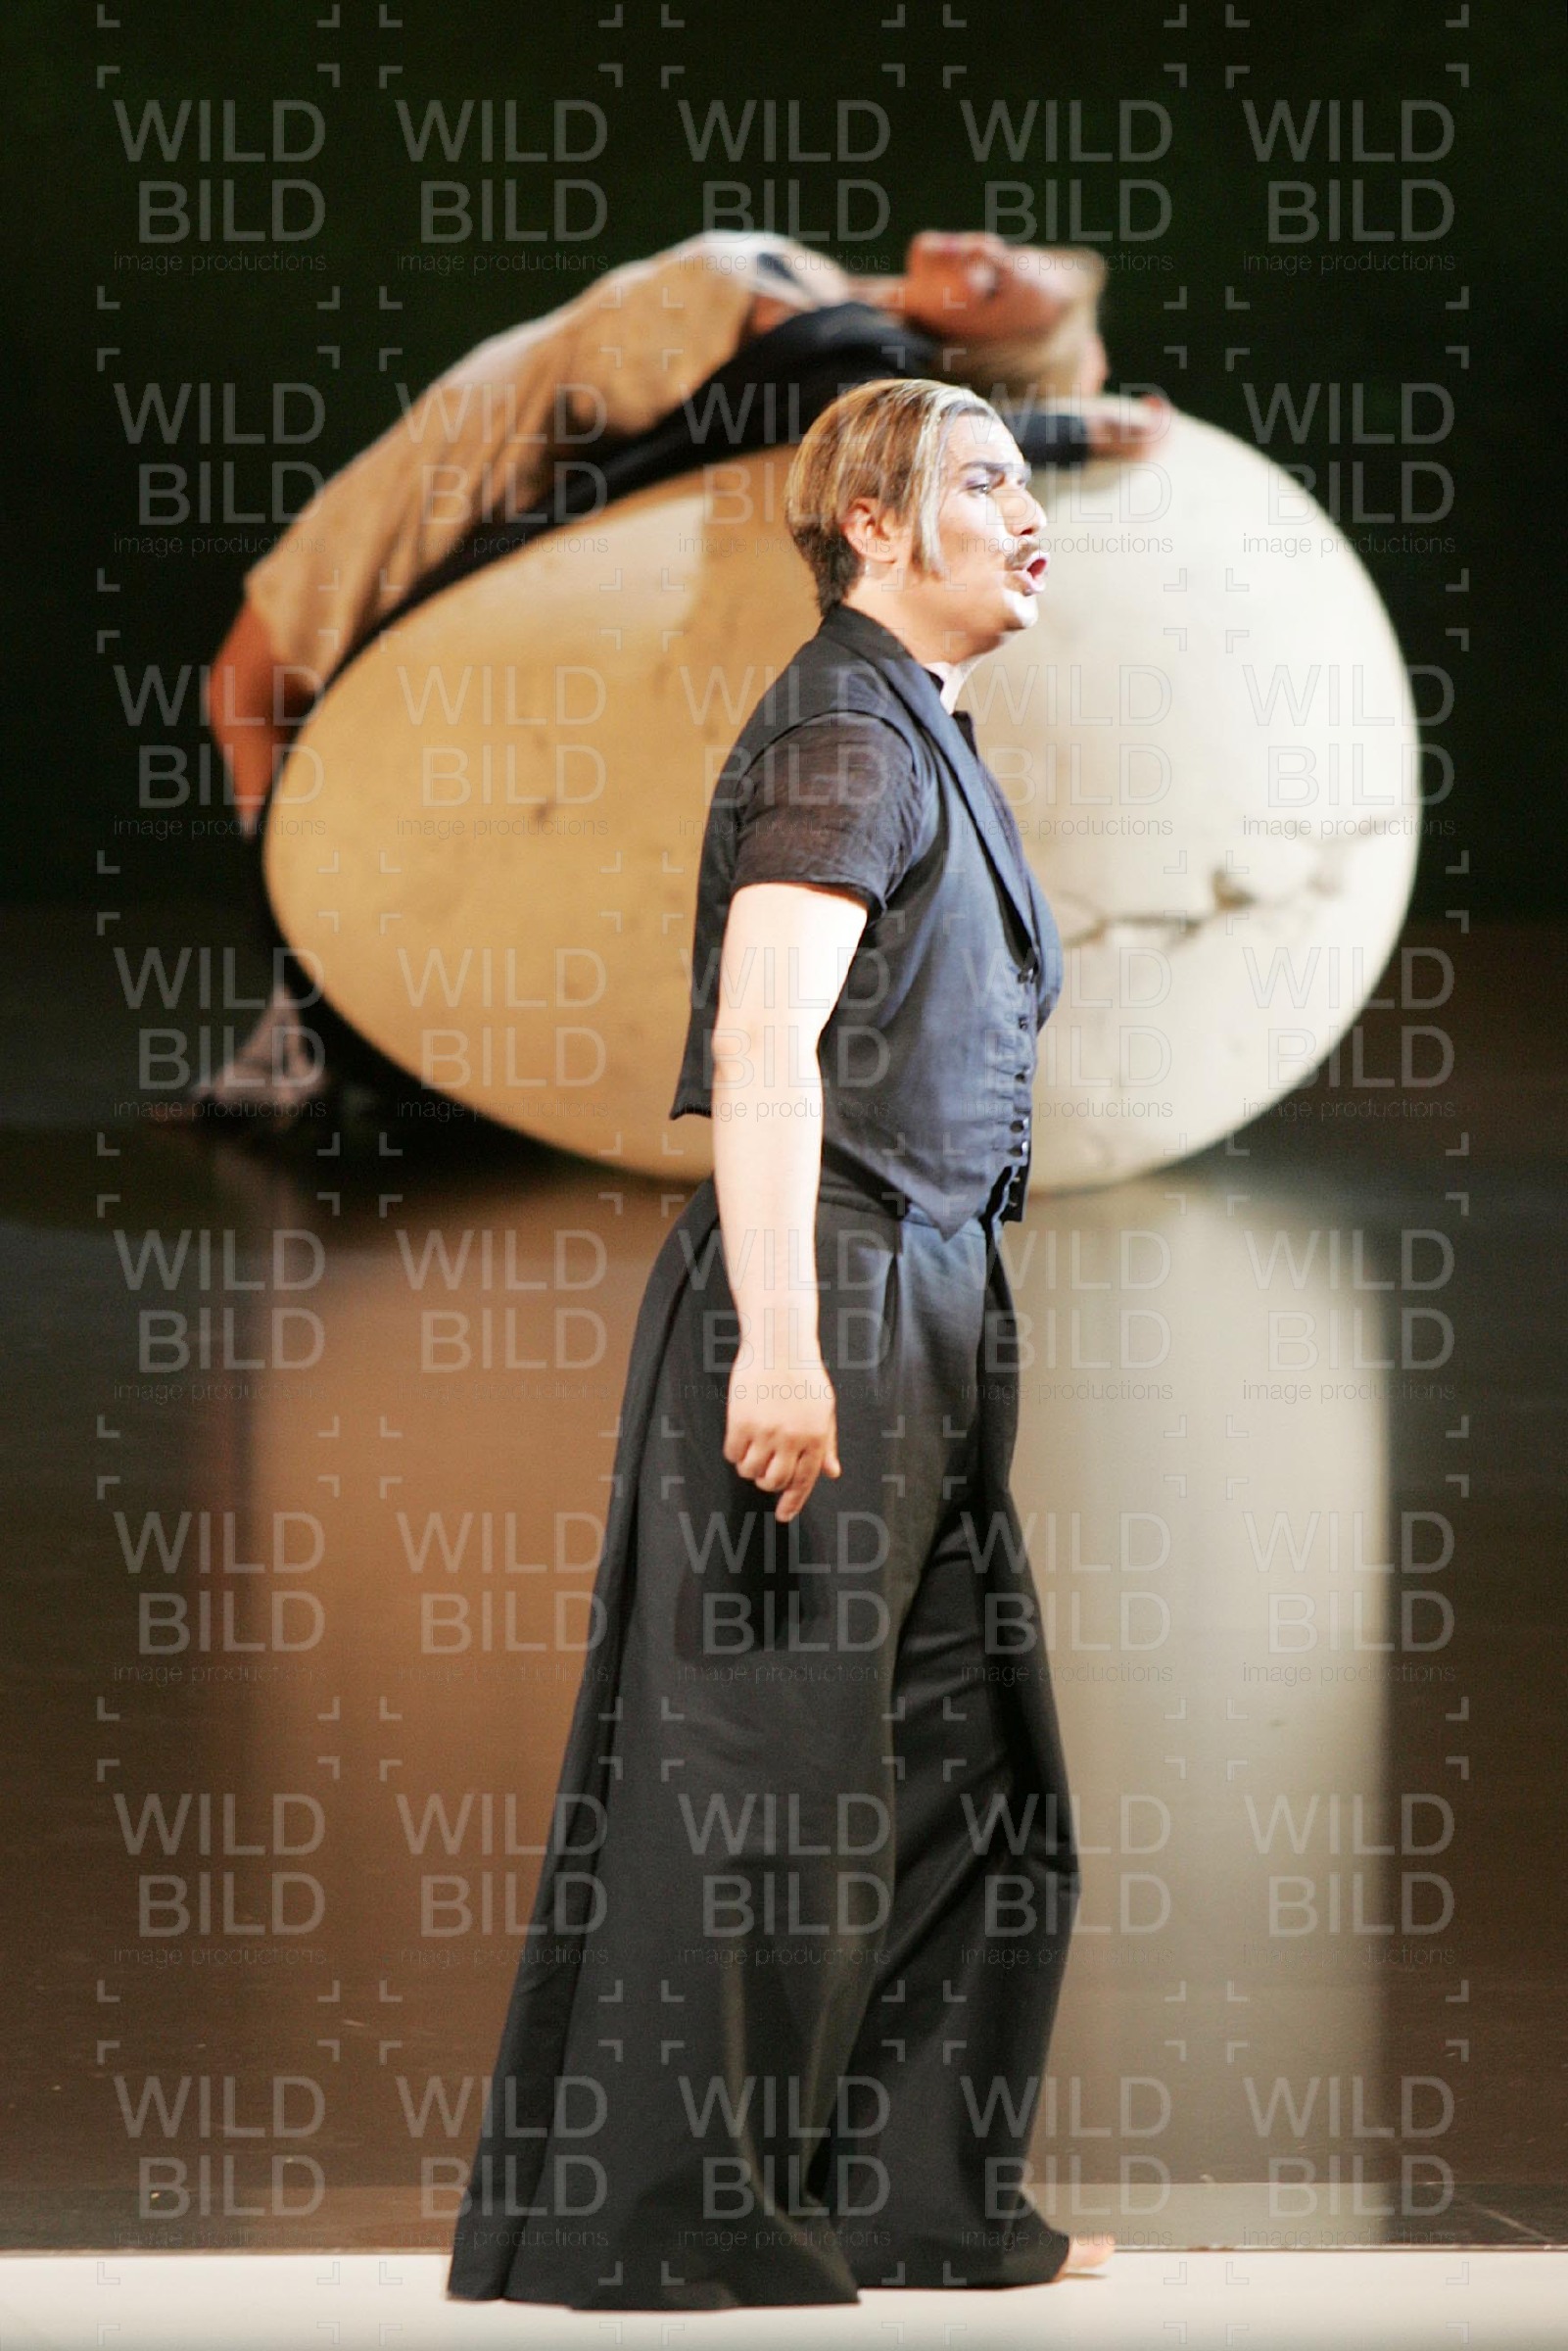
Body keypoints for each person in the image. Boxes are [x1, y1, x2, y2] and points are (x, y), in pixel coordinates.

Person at [445, 374, 1110, 2311]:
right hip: (824, 1281)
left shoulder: (920, 727)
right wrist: (783, 1343)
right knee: (759, 1779)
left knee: (962, 1772)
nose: (1025, 512)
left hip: (927, 1291)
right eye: (980, 482)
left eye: (1024, 477)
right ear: (872, 527)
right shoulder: (841, 732)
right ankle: (671, 2220)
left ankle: (903, 2199)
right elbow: (760, 1044)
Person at [181, 226, 1168, 1124]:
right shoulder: (825, 292)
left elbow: (862, 426)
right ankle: (317, 1005)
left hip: (458, 470)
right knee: (252, 697)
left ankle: (311, 1005)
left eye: (994, 285)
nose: (972, 249)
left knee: (245, 693)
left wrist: (1064, 428)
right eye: (1000, 245)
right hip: (446, 443)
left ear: (978, 355)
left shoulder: (841, 345)